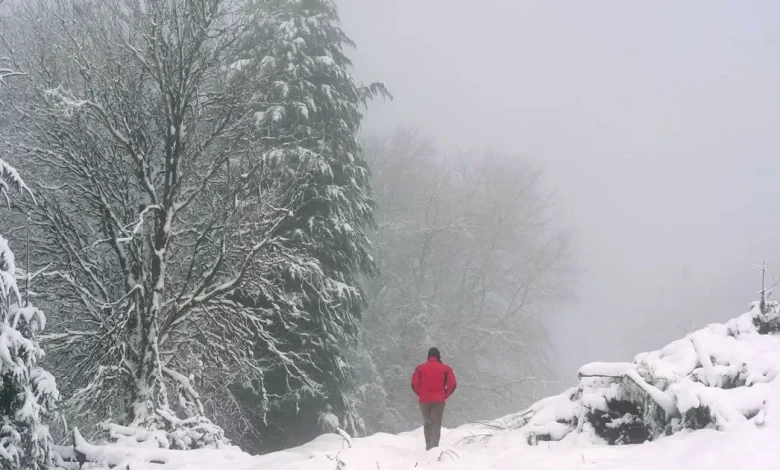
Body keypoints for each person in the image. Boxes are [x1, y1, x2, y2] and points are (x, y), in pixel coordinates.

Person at [410, 347, 457, 450]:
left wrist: (421, 394)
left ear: (428, 356)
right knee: (436, 423)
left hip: (424, 400)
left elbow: (414, 384)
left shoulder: (420, 368)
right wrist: (444, 395)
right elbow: (452, 384)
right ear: (438, 356)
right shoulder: (446, 369)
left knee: (428, 422)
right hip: (439, 400)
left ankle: (428, 445)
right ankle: (434, 447)